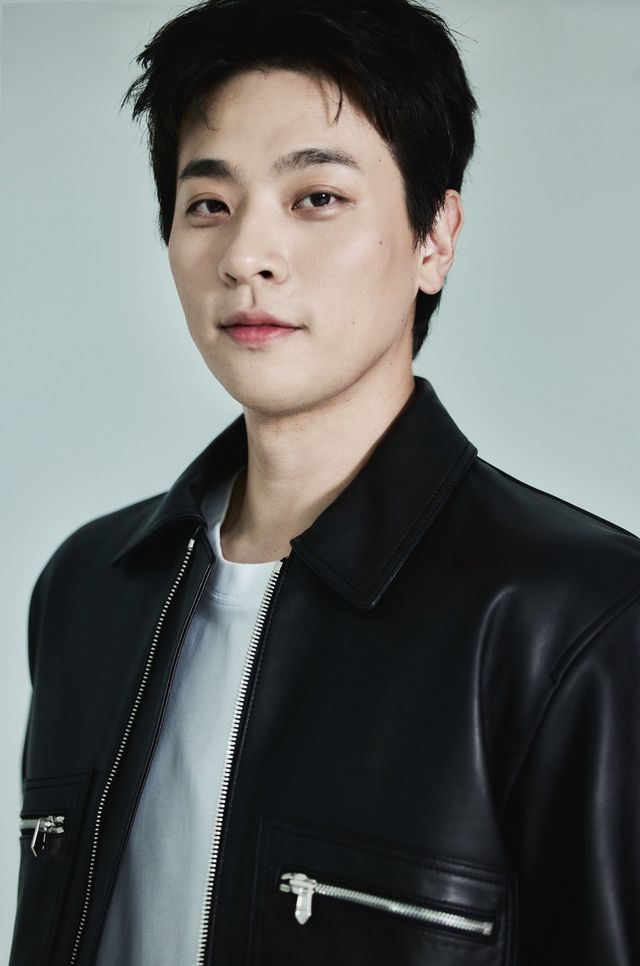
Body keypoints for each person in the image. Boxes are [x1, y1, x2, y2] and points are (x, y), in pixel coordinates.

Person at [10, 0, 640, 963]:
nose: (246, 257)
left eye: (316, 198)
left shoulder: (576, 615)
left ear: (435, 237)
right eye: (208, 204)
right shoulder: (89, 589)